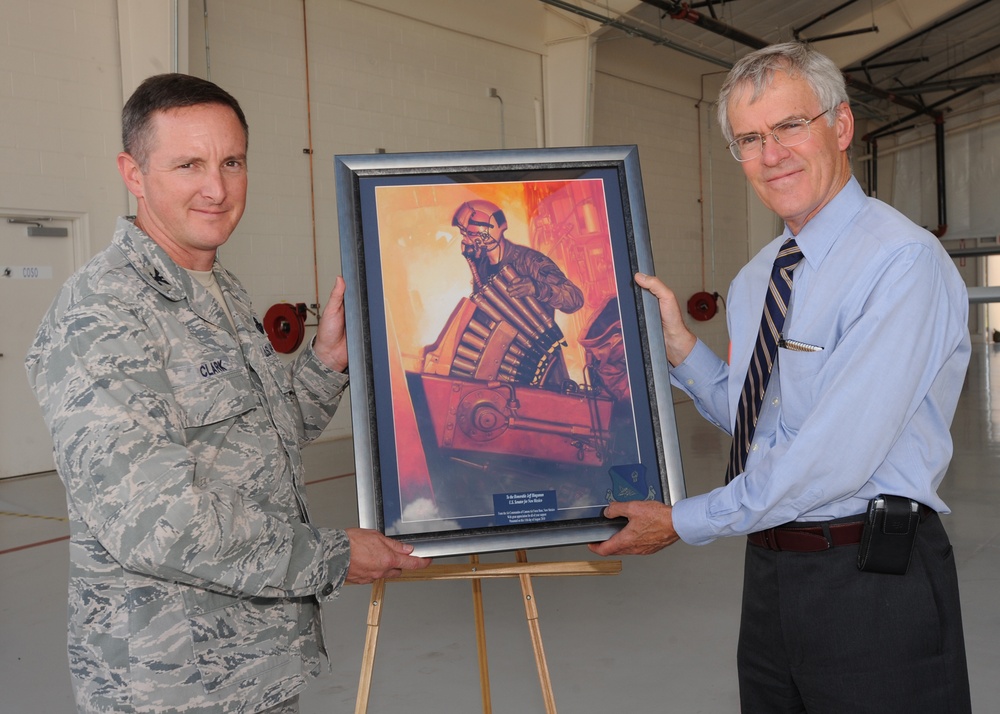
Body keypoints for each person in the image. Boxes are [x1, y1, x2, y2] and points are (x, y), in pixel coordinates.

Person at [25, 73, 429, 714]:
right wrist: (332, 555)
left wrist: (327, 360)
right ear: (133, 173)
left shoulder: (221, 290)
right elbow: (158, 523)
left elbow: (260, 438)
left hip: (254, 664)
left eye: (232, 162)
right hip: (173, 681)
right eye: (188, 164)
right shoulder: (103, 312)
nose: (217, 188)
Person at [590, 42, 972, 713]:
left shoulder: (901, 263)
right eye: (750, 138)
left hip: (872, 581)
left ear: (841, 126)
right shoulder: (757, 279)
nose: (771, 154)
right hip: (772, 572)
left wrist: (685, 520)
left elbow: (833, 457)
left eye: (791, 126)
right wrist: (681, 352)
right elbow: (761, 424)